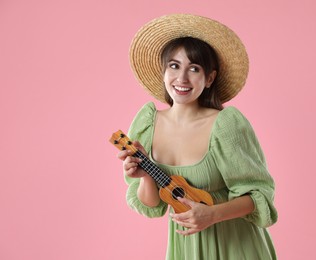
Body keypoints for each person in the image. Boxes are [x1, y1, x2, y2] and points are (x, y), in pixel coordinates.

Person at [117, 14, 278, 260]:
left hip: (235, 244)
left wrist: (212, 214)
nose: (181, 78)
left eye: (194, 68)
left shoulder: (225, 125)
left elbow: (259, 195)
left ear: (210, 78)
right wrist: (145, 175)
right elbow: (152, 206)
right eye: (174, 65)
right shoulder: (148, 124)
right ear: (163, 71)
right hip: (186, 248)